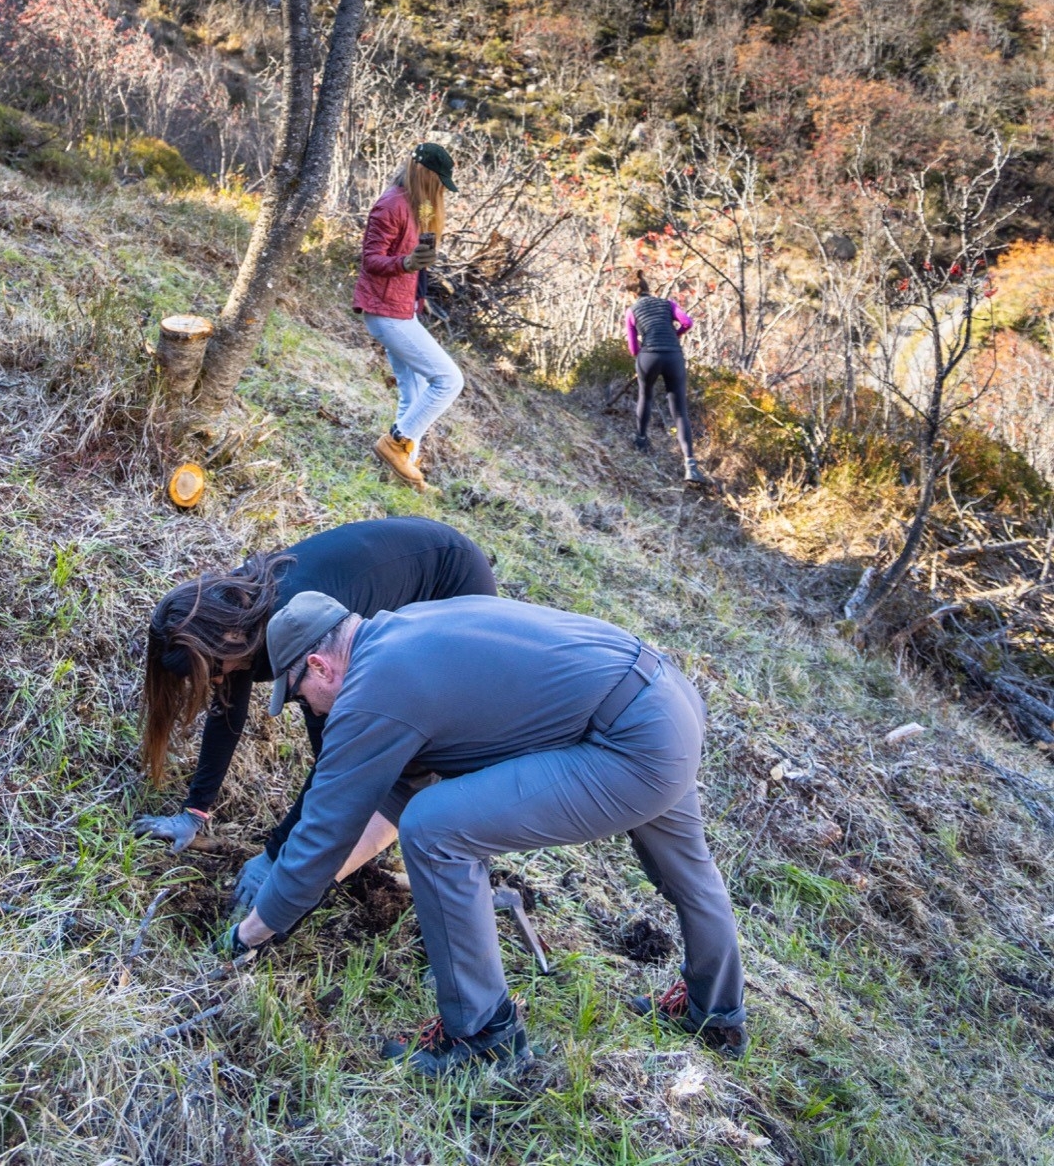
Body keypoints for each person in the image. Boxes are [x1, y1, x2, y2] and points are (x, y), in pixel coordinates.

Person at [227, 592, 747, 1079]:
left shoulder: (370, 690)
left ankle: (483, 1038)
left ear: (320, 666)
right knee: (689, 872)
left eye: (300, 696)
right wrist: (304, 889)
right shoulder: (406, 633)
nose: (312, 710)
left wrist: (252, 931)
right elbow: (391, 795)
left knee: (436, 831)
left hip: (631, 743)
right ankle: (717, 1013)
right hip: (666, 698)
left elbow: (324, 830)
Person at [135, 516, 496, 911]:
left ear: (229, 640)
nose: (219, 683)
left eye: (215, 671)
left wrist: (275, 856)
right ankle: (355, 837)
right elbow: (226, 715)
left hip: (451, 583)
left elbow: (336, 761)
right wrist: (194, 812)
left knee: (406, 743)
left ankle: (462, 873)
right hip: (403, 571)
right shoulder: (228, 618)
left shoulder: (303, 636)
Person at [355, 143, 465, 491]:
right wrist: (405, 264)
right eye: (439, 181)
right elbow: (371, 259)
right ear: (424, 174)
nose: (441, 190)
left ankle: (406, 472)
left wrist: (416, 286)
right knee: (449, 380)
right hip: (385, 312)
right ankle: (395, 442)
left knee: (414, 390)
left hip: (401, 310)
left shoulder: (417, 206)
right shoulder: (391, 206)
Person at [626, 269, 708, 485]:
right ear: (648, 290)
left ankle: (641, 441)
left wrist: (644, 354)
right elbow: (687, 322)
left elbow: (633, 348)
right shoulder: (667, 304)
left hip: (649, 356)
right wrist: (674, 336)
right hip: (673, 356)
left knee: (646, 396)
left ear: (631, 294)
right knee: (680, 411)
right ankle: (690, 465)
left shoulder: (632, 310)